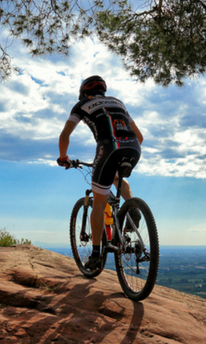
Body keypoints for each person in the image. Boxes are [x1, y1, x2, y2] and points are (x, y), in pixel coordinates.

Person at [56, 75, 145, 245]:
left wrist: (63, 158)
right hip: (133, 147)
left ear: (83, 92)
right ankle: (132, 207)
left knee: (98, 203)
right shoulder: (118, 102)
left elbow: (65, 135)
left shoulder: (81, 105)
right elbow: (140, 137)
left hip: (109, 147)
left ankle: (95, 253)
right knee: (118, 178)